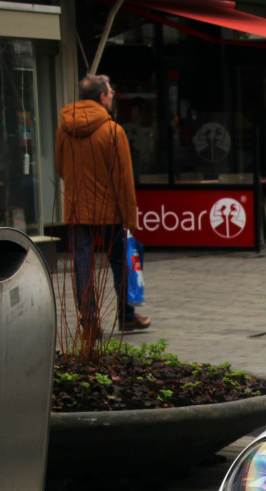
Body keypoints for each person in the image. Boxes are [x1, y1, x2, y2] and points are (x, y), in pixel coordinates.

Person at [56, 73, 149, 340]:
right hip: (109, 210)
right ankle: (127, 316)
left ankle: (90, 322)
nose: (112, 98)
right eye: (110, 93)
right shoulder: (112, 130)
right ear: (101, 97)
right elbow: (123, 178)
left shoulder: (64, 128)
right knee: (120, 260)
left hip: (76, 208)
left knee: (82, 264)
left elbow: (61, 167)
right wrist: (130, 217)